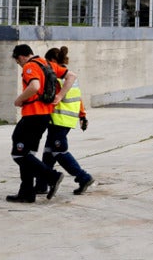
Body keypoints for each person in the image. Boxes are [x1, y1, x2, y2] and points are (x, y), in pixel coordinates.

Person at [7, 44, 64, 203]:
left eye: (19, 62)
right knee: (28, 154)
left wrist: (20, 99)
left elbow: (34, 86)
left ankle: (52, 176)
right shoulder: (47, 64)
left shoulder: (30, 66)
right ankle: (27, 193)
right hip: (45, 116)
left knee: (18, 153)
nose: (20, 66)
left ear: (21, 57)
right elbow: (71, 75)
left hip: (33, 115)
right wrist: (59, 96)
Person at [36, 46, 94, 196]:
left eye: (48, 62)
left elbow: (49, 97)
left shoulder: (56, 77)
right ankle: (42, 185)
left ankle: (83, 177)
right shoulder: (70, 77)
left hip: (59, 120)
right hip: (65, 120)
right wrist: (82, 115)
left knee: (59, 152)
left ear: (53, 61)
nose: (47, 66)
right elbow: (78, 98)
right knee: (48, 153)